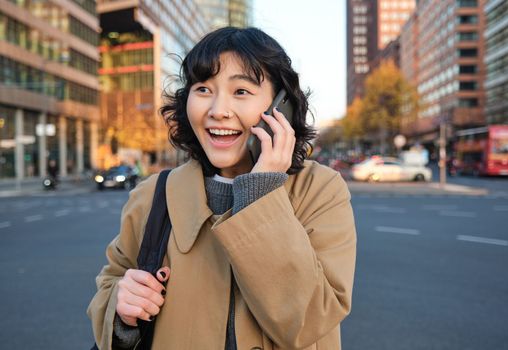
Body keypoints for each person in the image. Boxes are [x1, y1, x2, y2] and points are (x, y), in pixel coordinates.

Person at [88, 27, 357, 350]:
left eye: (241, 91)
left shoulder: (320, 190)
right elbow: (110, 286)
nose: (217, 110)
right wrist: (122, 310)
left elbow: (310, 320)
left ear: (280, 106)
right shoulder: (153, 194)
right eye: (203, 89)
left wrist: (262, 192)